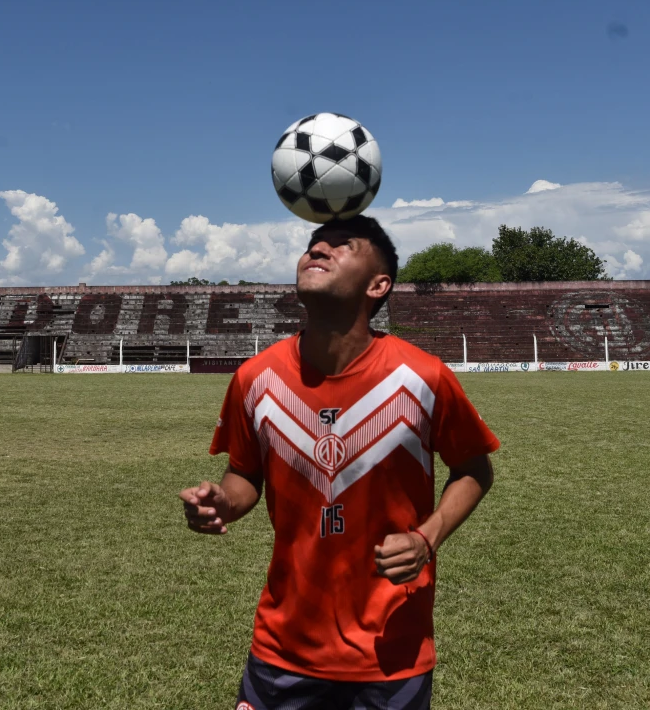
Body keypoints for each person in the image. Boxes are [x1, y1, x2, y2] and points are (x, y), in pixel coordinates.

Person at [180, 215, 498, 710]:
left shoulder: (423, 377)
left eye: (341, 245)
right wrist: (224, 501)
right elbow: (245, 475)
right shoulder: (254, 378)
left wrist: (425, 538)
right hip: (282, 646)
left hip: (390, 653)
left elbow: (475, 468)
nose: (318, 250)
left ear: (379, 284)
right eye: (313, 244)